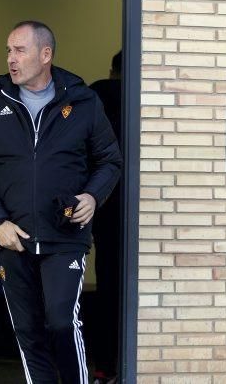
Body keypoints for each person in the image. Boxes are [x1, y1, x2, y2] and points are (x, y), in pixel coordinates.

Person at [0, 20, 122, 384]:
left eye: (20, 50)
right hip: (11, 238)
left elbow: (110, 159)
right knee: (28, 333)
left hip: (65, 235)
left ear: (45, 54)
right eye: (8, 50)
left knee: (63, 322)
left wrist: (94, 195)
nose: (11, 59)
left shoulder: (82, 101)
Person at [88, 51, 123, 384]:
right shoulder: (143, 99)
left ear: (112, 71)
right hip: (137, 211)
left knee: (107, 288)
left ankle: (104, 369)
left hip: (105, 209)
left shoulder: (94, 99)